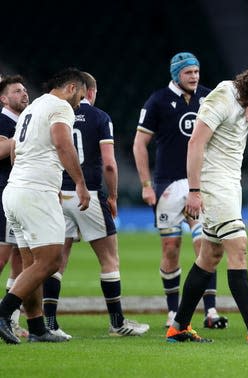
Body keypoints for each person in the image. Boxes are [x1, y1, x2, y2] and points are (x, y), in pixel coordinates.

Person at [165, 66, 248, 344]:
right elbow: (195, 143)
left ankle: (178, 326)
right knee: (239, 248)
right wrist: (194, 191)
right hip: (215, 183)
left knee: (210, 256)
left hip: (231, 183)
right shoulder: (223, 96)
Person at [41, 72, 149, 339]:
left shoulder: (55, 117)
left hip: (58, 195)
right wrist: (112, 196)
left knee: (57, 262)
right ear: (90, 92)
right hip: (87, 193)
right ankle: (117, 323)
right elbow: (110, 164)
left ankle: (50, 324)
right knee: (109, 260)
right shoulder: (100, 118)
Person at [133, 52, 227, 329]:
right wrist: (146, 185)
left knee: (205, 244)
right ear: (176, 74)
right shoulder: (158, 101)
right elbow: (140, 144)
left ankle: (210, 311)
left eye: (197, 71)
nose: (195, 77)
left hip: (201, 183)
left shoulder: (209, 98)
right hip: (167, 185)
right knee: (171, 248)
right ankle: (173, 312)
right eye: (189, 72)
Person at [0, 68, 90, 344]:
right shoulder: (61, 106)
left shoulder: (34, 106)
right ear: (72, 88)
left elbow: (15, 149)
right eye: (81, 96)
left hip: (15, 190)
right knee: (51, 260)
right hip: (36, 193)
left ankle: (37, 327)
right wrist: (80, 183)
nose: (80, 103)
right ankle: (3, 313)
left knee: (31, 263)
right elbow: (64, 144)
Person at [0, 75, 29, 338]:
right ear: (4, 98)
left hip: (16, 194)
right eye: (17, 91)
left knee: (19, 260)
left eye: (24, 89)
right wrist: (23, 137)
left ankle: (11, 318)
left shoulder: (21, 121)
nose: (24, 93)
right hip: (3, 194)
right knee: (3, 258)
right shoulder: (5, 121)